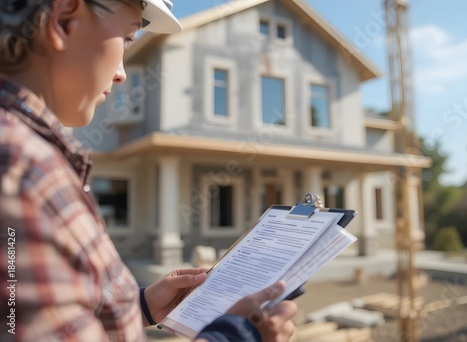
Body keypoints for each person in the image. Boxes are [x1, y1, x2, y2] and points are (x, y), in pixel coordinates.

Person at [0, 0, 297, 341]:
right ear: (64, 21)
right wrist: (239, 334)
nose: (122, 74)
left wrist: (138, 307)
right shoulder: (21, 171)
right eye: (127, 39)